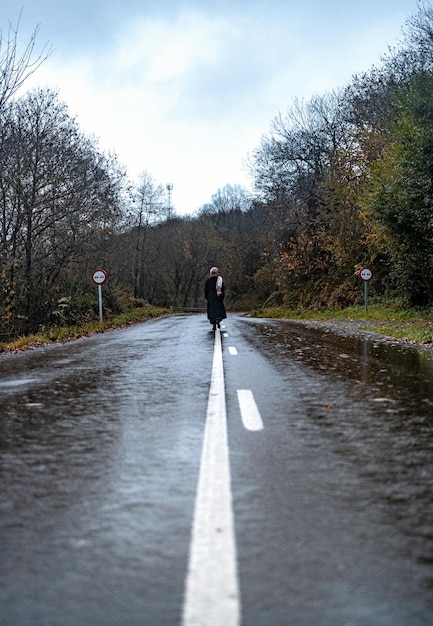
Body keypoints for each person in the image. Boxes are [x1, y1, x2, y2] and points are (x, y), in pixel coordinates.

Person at [204, 266, 227, 331]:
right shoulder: (219, 280)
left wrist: (207, 298)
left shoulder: (208, 281)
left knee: (212, 313)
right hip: (218, 298)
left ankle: (214, 324)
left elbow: (206, 290)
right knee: (218, 312)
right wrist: (221, 297)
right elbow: (222, 290)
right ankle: (218, 322)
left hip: (211, 299)